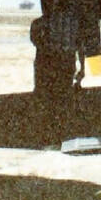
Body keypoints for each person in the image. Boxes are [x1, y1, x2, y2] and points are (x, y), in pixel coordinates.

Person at [31, 12, 77, 148]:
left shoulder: (40, 23)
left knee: (54, 102)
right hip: (51, 67)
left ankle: (53, 137)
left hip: (55, 67)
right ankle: (51, 137)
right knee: (52, 103)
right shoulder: (68, 23)